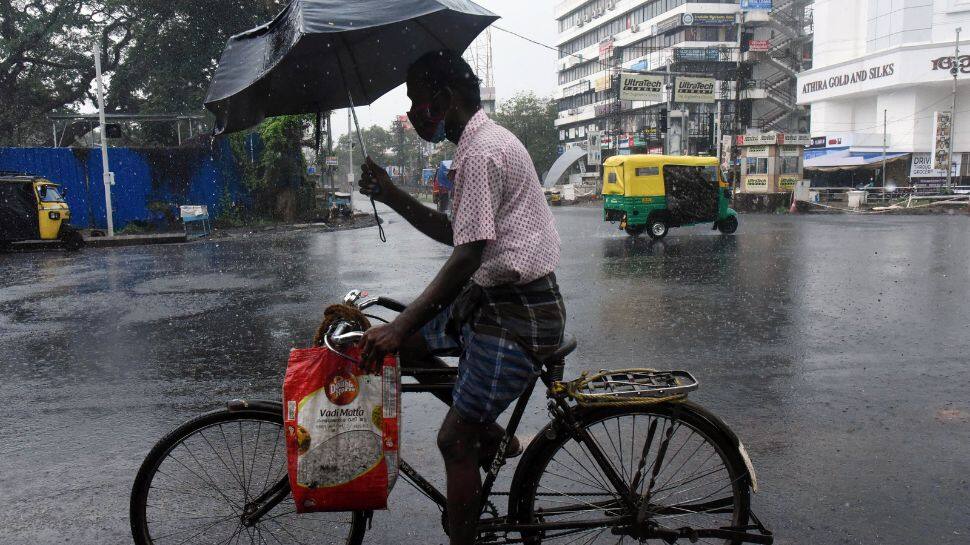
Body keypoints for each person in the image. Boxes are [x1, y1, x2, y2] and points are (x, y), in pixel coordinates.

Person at [357, 49, 565, 545]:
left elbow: (467, 255)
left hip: (519, 315)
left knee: (452, 440)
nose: (414, 113)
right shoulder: (480, 144)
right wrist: (390, 194)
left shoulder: (481, 152)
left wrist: (401, 322)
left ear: (445, 99)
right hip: (496, 302)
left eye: (418, 101)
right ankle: (492, 435)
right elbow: (460, 235)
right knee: (409, 349)